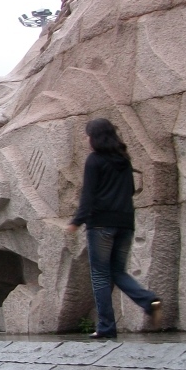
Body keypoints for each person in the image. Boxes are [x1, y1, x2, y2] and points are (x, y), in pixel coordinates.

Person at [66, 118, 160, 338]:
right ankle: (149, 300)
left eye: (88, 134)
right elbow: (129, 191)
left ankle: (106, 327)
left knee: (100, 275)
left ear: (95, 137)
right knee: (117, 271)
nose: (86, 139)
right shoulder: (123, 160)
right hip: (125, 223)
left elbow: (88, 195)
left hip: (100, 225)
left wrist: (76, 221)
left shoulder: (94, 161)